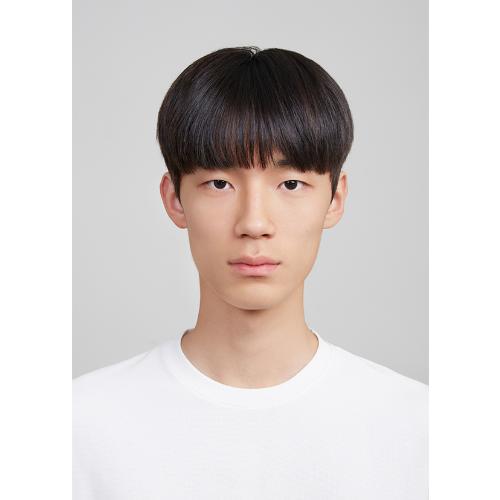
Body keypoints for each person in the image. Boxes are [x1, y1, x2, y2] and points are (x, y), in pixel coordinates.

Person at [73, 46, 428, 499]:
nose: (254, 222)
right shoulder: (80, 426)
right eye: (219, 183)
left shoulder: (419, 429)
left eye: (291, 184)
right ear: (174, 199)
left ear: (335, 199)